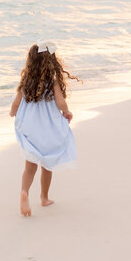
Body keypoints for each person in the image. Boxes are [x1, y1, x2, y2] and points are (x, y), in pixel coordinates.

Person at [9, 41, 79, 216]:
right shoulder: (52, 82)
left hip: (31, 130)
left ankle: (24, 192)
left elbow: (16, 103)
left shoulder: (26, 82)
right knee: (47, 165)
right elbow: (61, 102)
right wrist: (67, 112)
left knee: (30, 166)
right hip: (48, 131)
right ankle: (44, 197)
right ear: (51, 62)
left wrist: (12, 113)